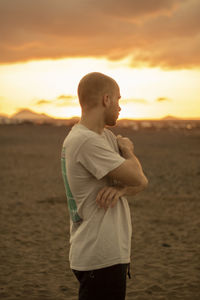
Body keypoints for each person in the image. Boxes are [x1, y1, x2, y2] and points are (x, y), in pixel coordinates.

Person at [61, 72, 148, 300]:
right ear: (106, 99)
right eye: (118, 100)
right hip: (98, 257)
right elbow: (138, 177)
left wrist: (121, 191)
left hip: (106, 255)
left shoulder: (104, 137)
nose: (120, 107)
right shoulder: (86, 141)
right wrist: (128, 150)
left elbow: (140, 182)